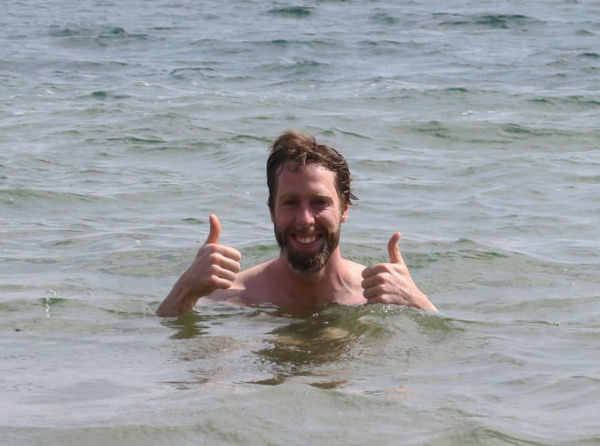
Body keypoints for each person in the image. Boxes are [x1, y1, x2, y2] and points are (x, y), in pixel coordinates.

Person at [157, 130, 437, 316]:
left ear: (344, 210)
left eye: (320, 202)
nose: (305, 220)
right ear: (271, 211)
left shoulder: (377, 297)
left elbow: (455, 370)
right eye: (290, 203)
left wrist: (417, 301)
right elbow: (143, 356)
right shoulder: (232, 299)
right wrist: (185, 291)